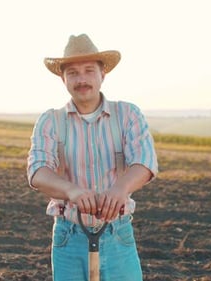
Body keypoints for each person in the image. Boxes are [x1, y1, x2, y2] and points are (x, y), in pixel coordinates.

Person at [27, 34, 158, 280]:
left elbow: (145, 162)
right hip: (69, 236)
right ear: (63, 78)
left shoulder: (127, 114)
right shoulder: (51, 121)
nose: (82, 79)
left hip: (118, 234)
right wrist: (72, 191)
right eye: (73, 73)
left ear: (102, 74)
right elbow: (38, 172)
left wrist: (119, 189)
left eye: (89, 70)